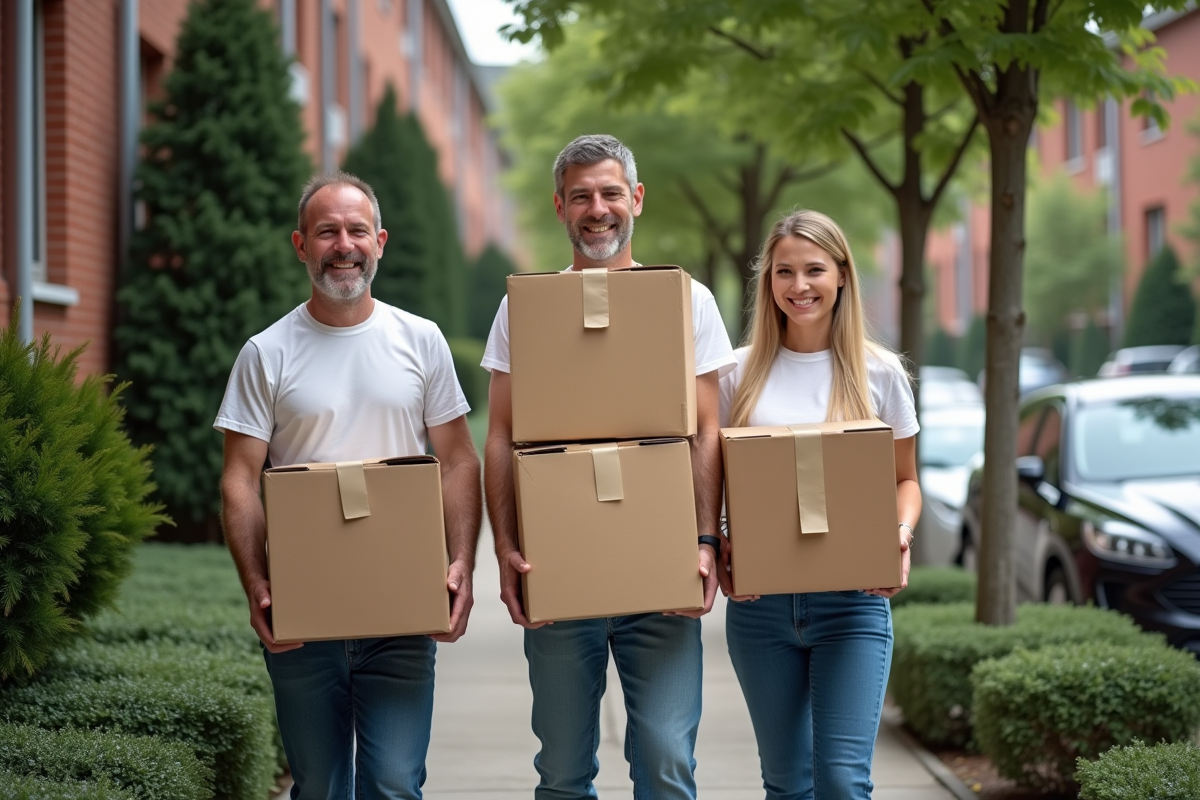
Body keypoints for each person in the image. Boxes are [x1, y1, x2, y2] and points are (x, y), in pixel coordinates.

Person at [481, 134, 737, 799]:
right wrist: (506, 548)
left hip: (662, 569)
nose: (598, 209)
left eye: (611, 193)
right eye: (582, 196)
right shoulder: (524, 308)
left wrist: (706, 540)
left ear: (637, 199)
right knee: (563, 772)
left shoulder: (688, 301)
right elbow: (502, 433)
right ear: (560, 206)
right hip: (559, 568)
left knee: (666, 762)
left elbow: (709, 430)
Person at [215, 172, 482, 800]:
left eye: (357, 230)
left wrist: (461, 562)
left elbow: (459, 460)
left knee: (393, 783)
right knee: (321, 786)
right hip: (305, 615)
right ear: (300, 245)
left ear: (380, 241)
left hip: (403, 609)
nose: (344, 244)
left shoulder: (420, 340)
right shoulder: (267, 353)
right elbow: (238, 479)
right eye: (326, 231)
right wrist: (257, 585)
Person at [718, 209, 921, 800]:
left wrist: (899, 535)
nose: (799, 285)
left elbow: (905, 482)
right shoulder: (735, 373)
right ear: (769, 281)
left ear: (841, 276)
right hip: (761, 608)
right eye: (785, 271)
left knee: (841, 779)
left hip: (853, 605)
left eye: (813, 270)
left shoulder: (879, 374)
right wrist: (720, 541)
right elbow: (711, 484)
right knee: (786, 783)